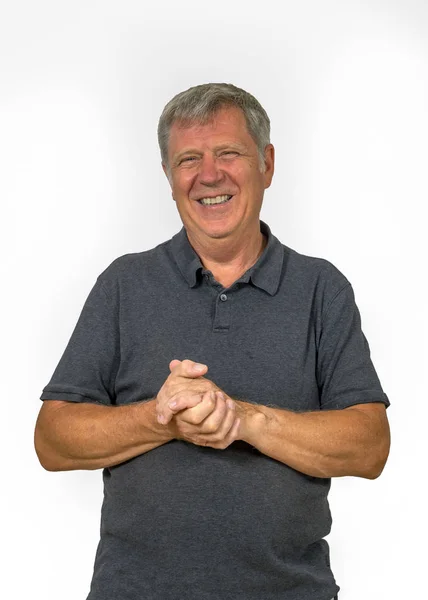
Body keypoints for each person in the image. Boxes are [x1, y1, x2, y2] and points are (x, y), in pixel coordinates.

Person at [34, 83, 391, 600]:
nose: (209, 175)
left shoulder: (321, 289)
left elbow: (370, 446)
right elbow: (52, 440)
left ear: (267, 163)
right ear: (168, 176)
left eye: (228, 153)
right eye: (188, 159)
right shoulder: (124, 285)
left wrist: (244, 419)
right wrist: (160, 416)